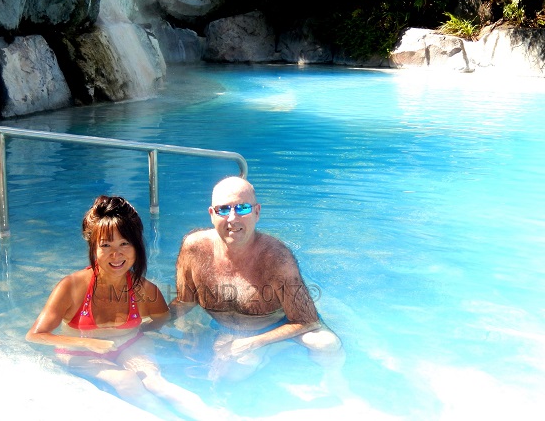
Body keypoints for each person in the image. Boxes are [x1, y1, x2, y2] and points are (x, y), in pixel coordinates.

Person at [26, 195, 229, 421]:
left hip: (128, 343)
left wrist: (141, 332)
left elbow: (162, 319)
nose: (117, 254)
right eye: (106, 245)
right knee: (125, 379)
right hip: (79, 350)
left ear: (136, 245)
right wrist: (87, 342)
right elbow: (35, 335)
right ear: (93, 247)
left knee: (157, 383)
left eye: (125, 243)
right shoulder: (72, 287)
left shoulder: (146, 291)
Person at [171, 176, 343, 379]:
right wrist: (149, 324)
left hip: (274, 326)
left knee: (327, 344)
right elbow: (185, 301)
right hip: (222, 328)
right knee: (229, 378)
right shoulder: (194, 248)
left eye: (242, 208)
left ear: (257, 212)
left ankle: (334, 382)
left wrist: (253, 343)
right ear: (211, 214)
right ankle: (261, 356)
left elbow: (308, 321)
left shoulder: (277, 258)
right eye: (223, 209)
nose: (232, 218)